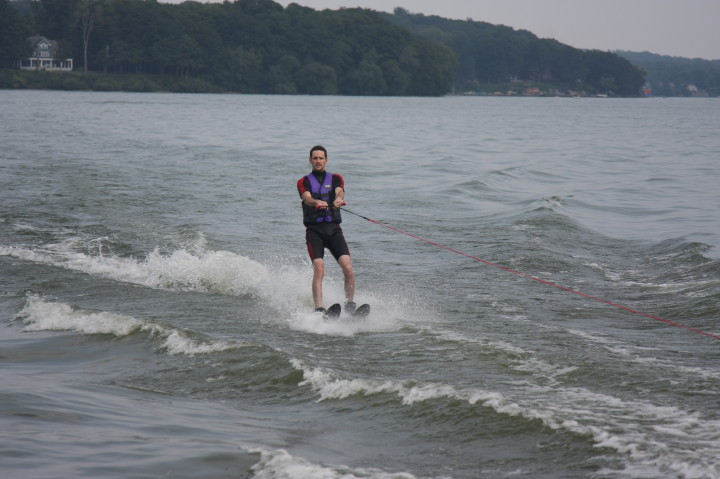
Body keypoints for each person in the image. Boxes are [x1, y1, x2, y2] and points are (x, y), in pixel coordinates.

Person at [297, 145, 356, 314]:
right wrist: (316, 202)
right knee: (319, 268)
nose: (318, 161)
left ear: (326, 160)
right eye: (314, 158)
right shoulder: (303, 181)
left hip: (333, 230)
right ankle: (319, 309)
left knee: (348, 267)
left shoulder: (336, 178)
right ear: (310, 160)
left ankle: (350, 305)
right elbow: (306, 198)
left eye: (321, 158)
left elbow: (339, 192)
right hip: (314, 231)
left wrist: (338, 199)